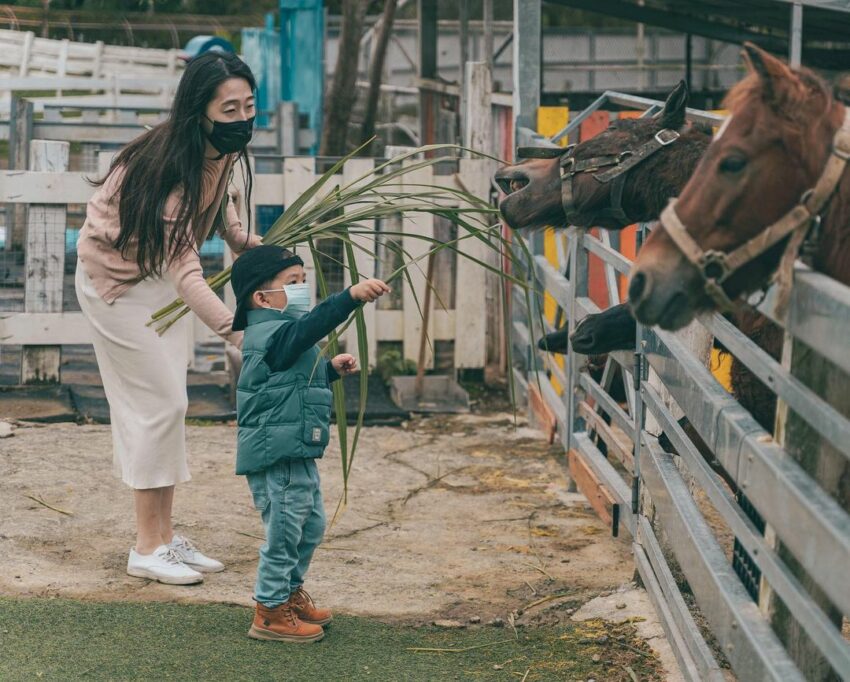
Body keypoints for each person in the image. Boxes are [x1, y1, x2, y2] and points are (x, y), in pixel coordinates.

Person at [75, 51, 262, 585]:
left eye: (249, 106)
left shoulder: (218, 150)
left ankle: (164, 537)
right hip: (116, 283)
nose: (242, 118)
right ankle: (145, 547)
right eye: (229, 109)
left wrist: (238, 237)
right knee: (159, 406)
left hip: (153, 272)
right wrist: (238, 333)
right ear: (198, 111)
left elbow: (219, 193)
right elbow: (188, 273)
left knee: (168, 404)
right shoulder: (170, 169)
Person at [229, 245, 389, 643]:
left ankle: (288, 594)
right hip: (277, 454)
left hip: (294, 449)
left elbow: (286, 383)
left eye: (304, 281)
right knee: (285, 532)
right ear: (262, 298)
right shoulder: (270, 333)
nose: (302, 289)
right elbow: (309, 329)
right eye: (292, 282)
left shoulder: (282, 335)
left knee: (310, 525)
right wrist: (349, 297)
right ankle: (269, 610)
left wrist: (329, 371)